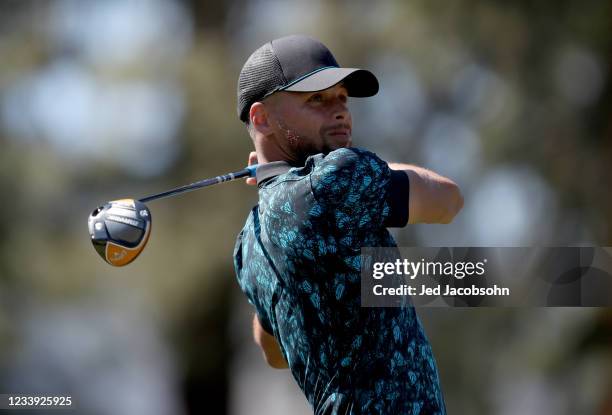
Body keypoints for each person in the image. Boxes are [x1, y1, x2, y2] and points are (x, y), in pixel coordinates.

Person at [233, 34, 463, 415]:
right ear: (262, 118)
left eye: (342, 97)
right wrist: (363, 173)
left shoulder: (249, 243)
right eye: (317, 99)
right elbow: (448, 200)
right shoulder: (339, 177)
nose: (339, 111)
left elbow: (271, 350)